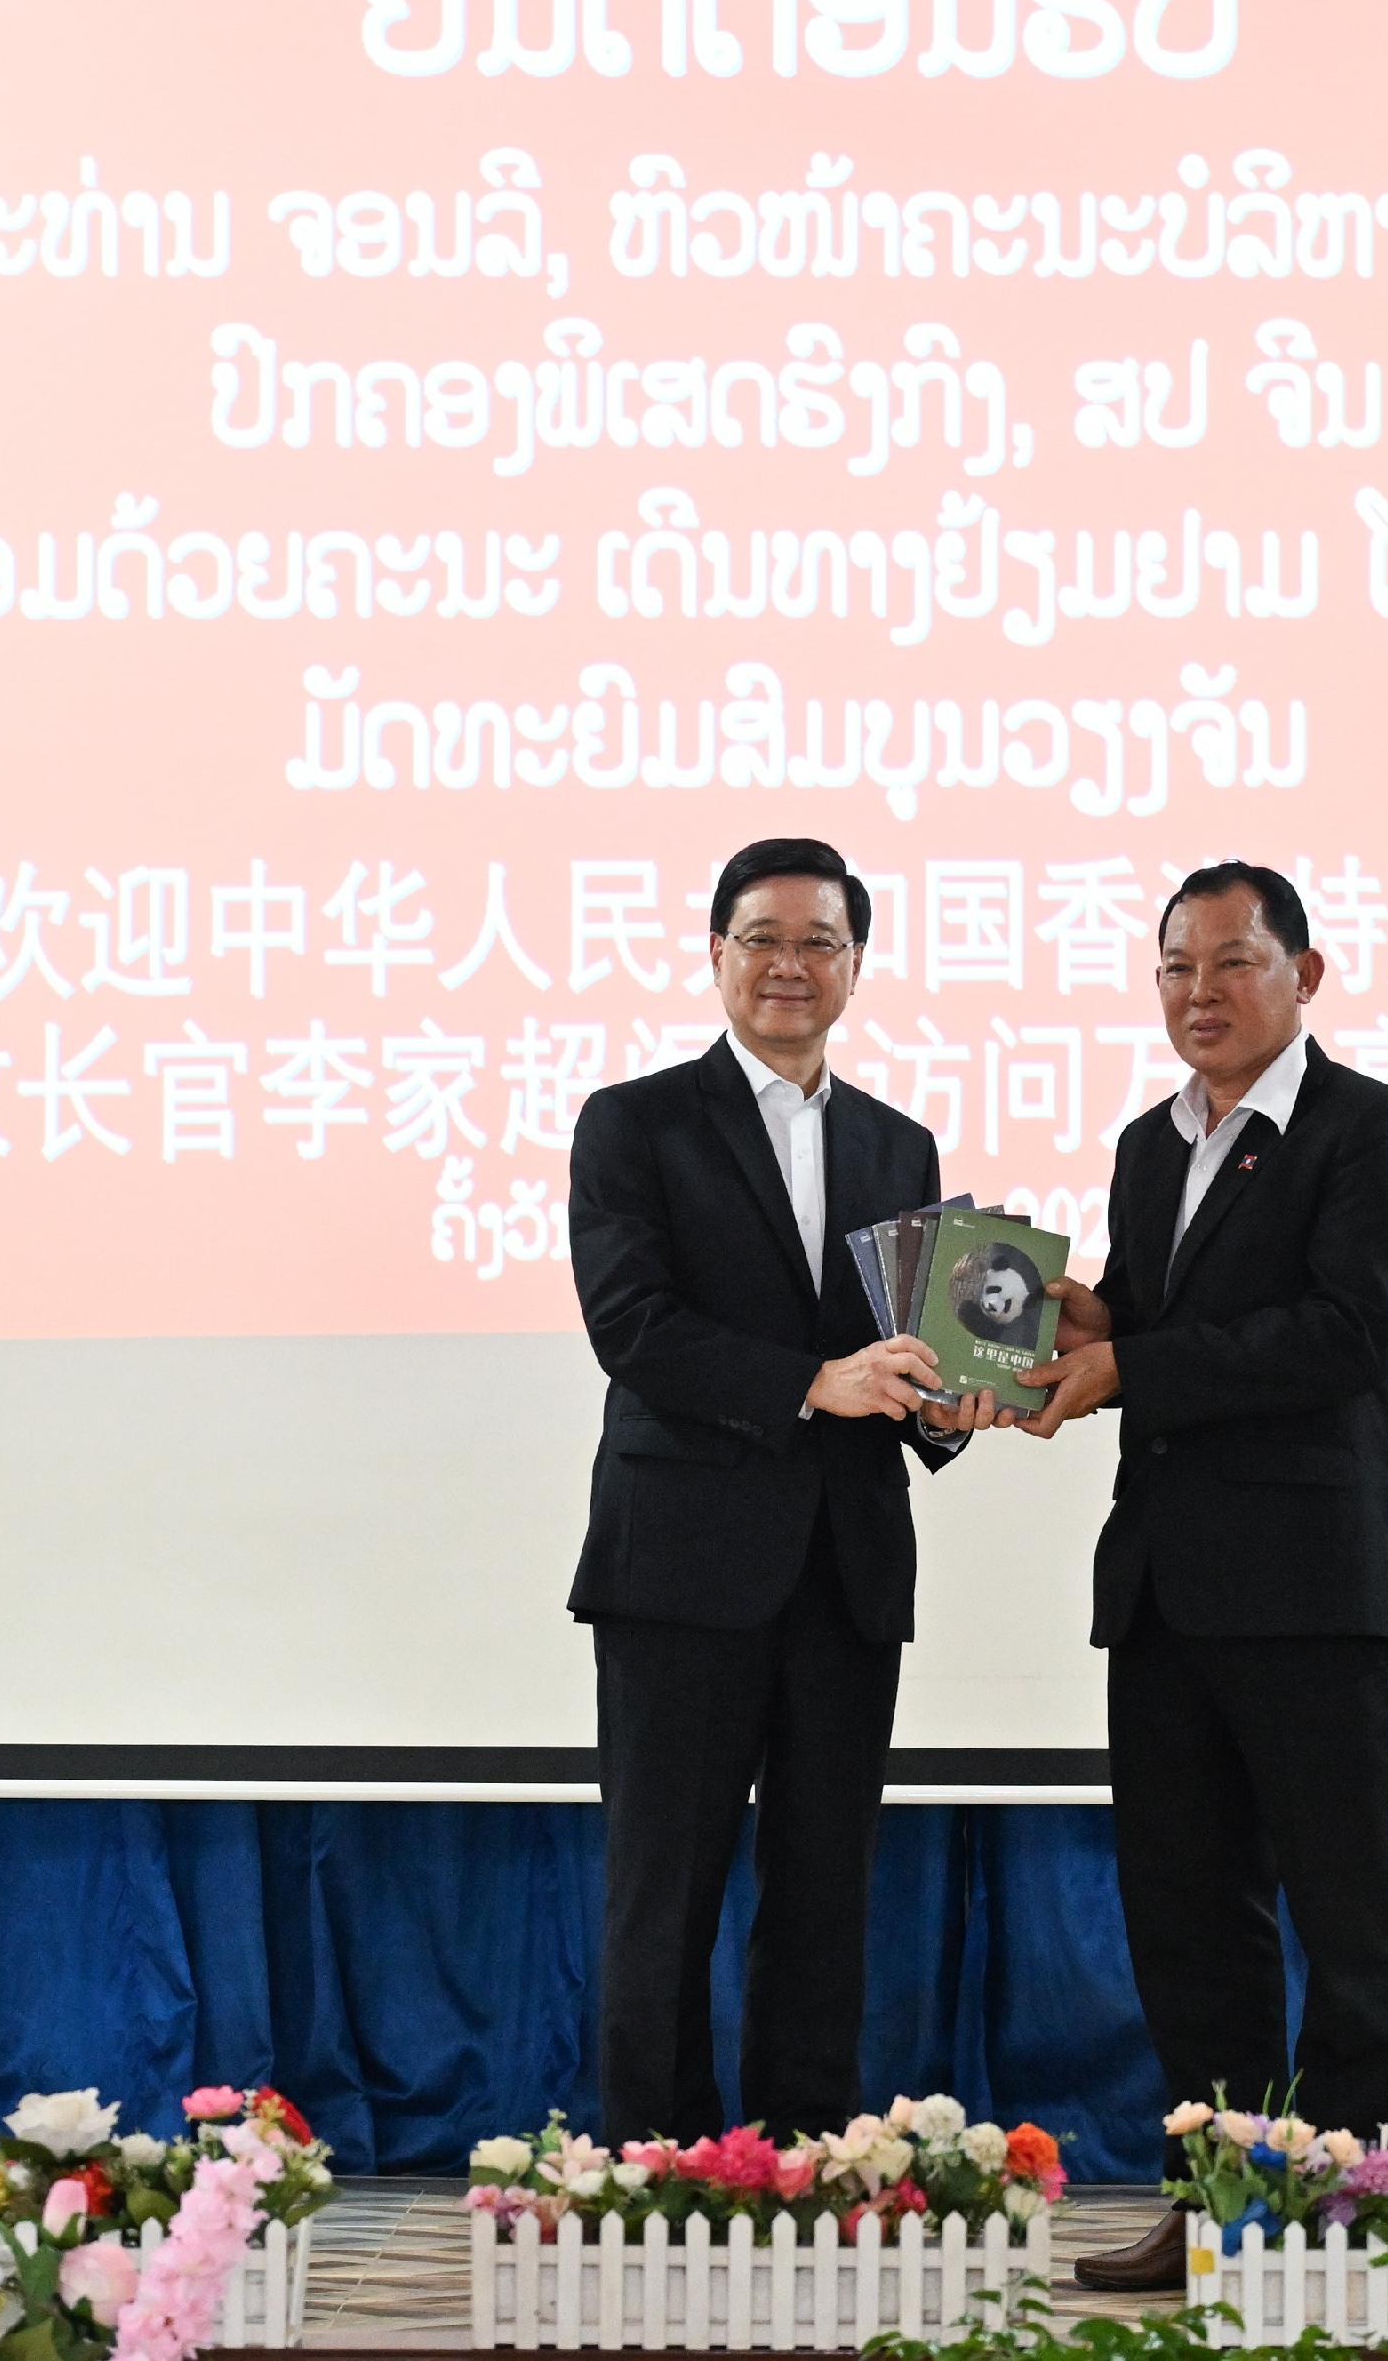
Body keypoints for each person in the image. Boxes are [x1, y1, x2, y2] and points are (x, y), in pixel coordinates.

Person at [1006, 860, 1388, 2290]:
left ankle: (1365, 2210)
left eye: (1232, 964)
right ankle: (1221, 2209)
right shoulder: (1151, 1141)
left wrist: (1130, 1358)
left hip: (1309, 1584)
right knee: (1190, 1924)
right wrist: (1085, 1319)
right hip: (1165, 1588)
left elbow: (1344, 1333)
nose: (1201, 994)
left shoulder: (1370, 1130)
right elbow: (1173, 1322)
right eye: (1176, 969)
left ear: (1305, 977)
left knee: (1345, 1912)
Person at [564, 836, 997, 2142]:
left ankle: (805, 2157)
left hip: (846, 1570)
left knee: (825, 1892)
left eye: (819, 942)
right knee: (666, 1890)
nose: (790, 966)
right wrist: (818, 1380)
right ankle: (656, 2165)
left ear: (857, 967)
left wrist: (957, 1405)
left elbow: (916, 1363)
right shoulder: (632, 1123)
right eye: (763, 938)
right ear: (715, 955)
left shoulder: (898, 1146)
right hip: (682, 1568)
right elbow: (632, 1325)